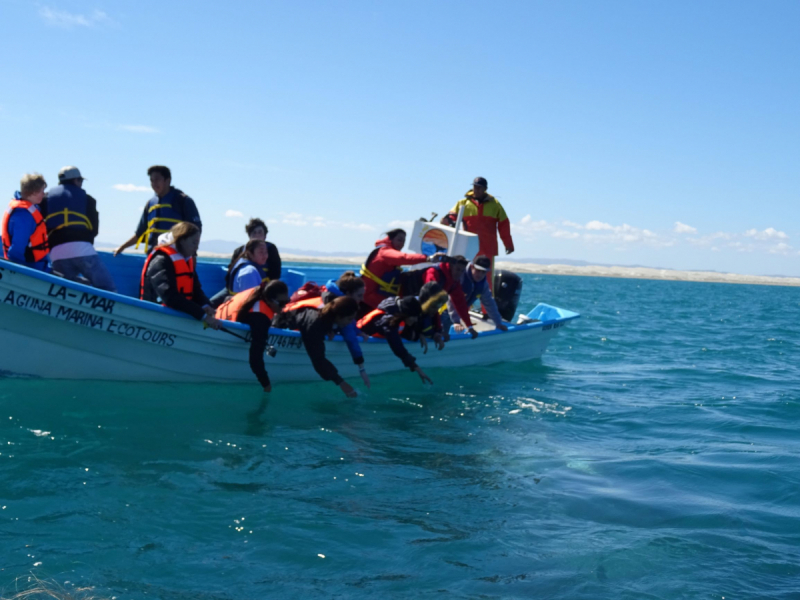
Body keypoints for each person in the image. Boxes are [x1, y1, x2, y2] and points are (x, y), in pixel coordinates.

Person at [40, 166, 116, 291]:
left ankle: (78, 286)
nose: (81, 184)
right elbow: (94, 229)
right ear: (75, 180)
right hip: (82, 250)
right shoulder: (88, 199)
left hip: (56, 252)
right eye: (80, 181)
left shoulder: (45, 199)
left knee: (66, 288)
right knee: (108, 288)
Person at [274, 296, 360, 398]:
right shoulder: (314, 324)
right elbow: (318, 358)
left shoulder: (327, 313)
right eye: (349, 319)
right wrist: (341, 383)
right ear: (338, 316)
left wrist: (329, 329)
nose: (351, 322)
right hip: (277, 327)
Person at [139, 222, 220, 329]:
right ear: (181, 241)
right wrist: (201, 315)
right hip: (156, 317)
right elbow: (170, 297)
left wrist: (205, 305)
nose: (197, 248)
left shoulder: (186, 260)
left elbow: (196, 290)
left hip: (177, 316)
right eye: (194, 243)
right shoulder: (161, 260)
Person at [216, 280, 290, 392]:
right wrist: (266, 385)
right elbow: (255, 359)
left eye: (287, 302)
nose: (284, 307)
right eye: (281, 303)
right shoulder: (260, 318)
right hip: (218, 331)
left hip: (218, 314)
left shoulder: (258, 292)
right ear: (270, 301)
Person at [441, 176, 514, 285]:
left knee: (486, 279)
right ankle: (463, 301)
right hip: (467, 247)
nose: (477, 189)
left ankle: (487, 302)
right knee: (463, 276)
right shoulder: (463, 203)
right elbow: (450, 218)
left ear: (485, 189)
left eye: (479, 187)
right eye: (475, 187)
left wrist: (508, 244)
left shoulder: (495, 205)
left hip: (487, 248)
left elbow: (504, 225)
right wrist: (445, 222)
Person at [114, 165, 202, 255]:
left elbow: (196, 231)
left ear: (168, 180)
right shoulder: (150, 204)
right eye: (151, 180)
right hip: (154, 254)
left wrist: (192, 254)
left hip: (176, 255)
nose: (154, 183)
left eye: (157, 179)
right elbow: (140, 233)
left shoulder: (183, 201)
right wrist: (122, 247)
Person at [357, 295, 436, 385]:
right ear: (406, 314)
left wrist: (419, 334)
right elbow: (397, 346)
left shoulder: (399, 310)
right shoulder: (388, 321)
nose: (415, 320)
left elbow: (405, 330)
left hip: (374, 337)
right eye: (414, 316)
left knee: (412, 335)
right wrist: (417, 368)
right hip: (359, 338)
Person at [361, 228, 440, 309]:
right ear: (390, 239)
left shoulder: (386, 252)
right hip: (370, 300)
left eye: (403, 241)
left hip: (379, 298)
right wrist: (428, 258)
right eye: (399, 240)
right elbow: (403, 258)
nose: (401, 244)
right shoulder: (384, 252)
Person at [406, 255, 479, 339]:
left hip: (420, 307)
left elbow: (461, 305)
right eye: (457, 269)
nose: (459, 273)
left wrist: (469, 326)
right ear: (451, 266)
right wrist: (437, 331)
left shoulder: (454, 283)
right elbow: (431, 304)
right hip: (407, 301)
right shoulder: (433, 273)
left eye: (462, 271)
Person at [321, 271, 371, 388]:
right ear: (348, 294)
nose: (362, 299)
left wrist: (358, 331)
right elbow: (351, 339)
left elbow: (350, 323)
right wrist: (362, 369)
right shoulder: (341, 308)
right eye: (359, 295)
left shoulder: (330, 295)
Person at [446, 255, 508, 333]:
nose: (480, 274)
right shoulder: (460, 276)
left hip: (459, 314)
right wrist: (456, 321)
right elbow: (451, 300)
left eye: (483, 272)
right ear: (472, 267)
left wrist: (498, 323)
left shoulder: (483, 284)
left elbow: (489, 304)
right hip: (444, 309)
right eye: (478, 270)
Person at [1, 173, 49, 270]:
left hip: (36, 265)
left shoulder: (27, 210)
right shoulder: (24, 215)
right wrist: (18, 269)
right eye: (42, 191)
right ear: (34, 192)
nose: (44, 194)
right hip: (31, 266)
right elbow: (17, 248)